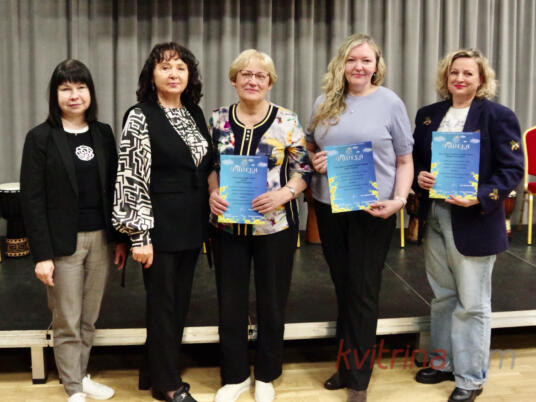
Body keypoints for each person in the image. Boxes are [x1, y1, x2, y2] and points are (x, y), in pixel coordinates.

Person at [306, 34, 414, 402]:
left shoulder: (390, 103)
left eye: (366, 60)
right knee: (344, 288)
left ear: (376, 65)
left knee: (363, 291)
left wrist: (399, 200)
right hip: (330, 208)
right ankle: (346, 365)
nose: (359, 66)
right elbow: (308, 147)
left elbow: (404, 160)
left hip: (374, 210)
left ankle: (358, 379)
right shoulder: (323, 102)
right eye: (352, 59)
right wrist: (315, 160)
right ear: (341, 64)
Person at [413, 49, 523, 402]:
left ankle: (471, 378)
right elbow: (416, 162)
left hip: (475, 219)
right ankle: (443, 363)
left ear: (481, 79)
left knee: (472, 303)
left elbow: (512, 169)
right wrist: (420, 177)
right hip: (436, 215)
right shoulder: (429, 115)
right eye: (454, 73)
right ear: (446, 77)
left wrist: (479, 196)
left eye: (468, 73)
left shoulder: (498, 116)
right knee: (443, 297)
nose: (459, 78)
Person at [20, 59, 127, 402]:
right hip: (62, 244)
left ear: (90, 92)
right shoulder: (40, 138)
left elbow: (114, 188)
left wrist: (120, 239)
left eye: (81, 87)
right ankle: (74, 388)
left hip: (101, 240)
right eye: (65, 88)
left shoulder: (103, 133)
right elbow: (32, 201)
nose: (74, 95)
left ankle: (80, 375)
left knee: (89, 317)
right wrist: (42, 255)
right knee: (67, 318)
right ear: (55, 95)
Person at [208, 49, 312, 402]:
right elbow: (209, 166)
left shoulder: (287, 120)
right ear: (234, 79)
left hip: (275, 227)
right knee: (230, 302)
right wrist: (212, 192)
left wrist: (284, 194)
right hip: (228, 228)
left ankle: (267, 374)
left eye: (260, 76)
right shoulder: (218, 119)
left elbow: (303, 169)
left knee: (272, 301)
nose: (252, 81)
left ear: (270, 82)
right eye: (246, 74)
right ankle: (235, 376)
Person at [112, 42, 212, 402]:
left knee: (178, 303)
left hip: (191, 225)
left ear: (190, 75)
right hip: (158, 228)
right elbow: (131, 176)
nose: (173, 74)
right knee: (164, 305)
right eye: (165, 67)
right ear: (151, 75)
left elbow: (204, 166)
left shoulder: (193, 112)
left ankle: (152, 372)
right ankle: (169, 385)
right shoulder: (140, 115)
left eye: (181, 67)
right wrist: (139, 235)